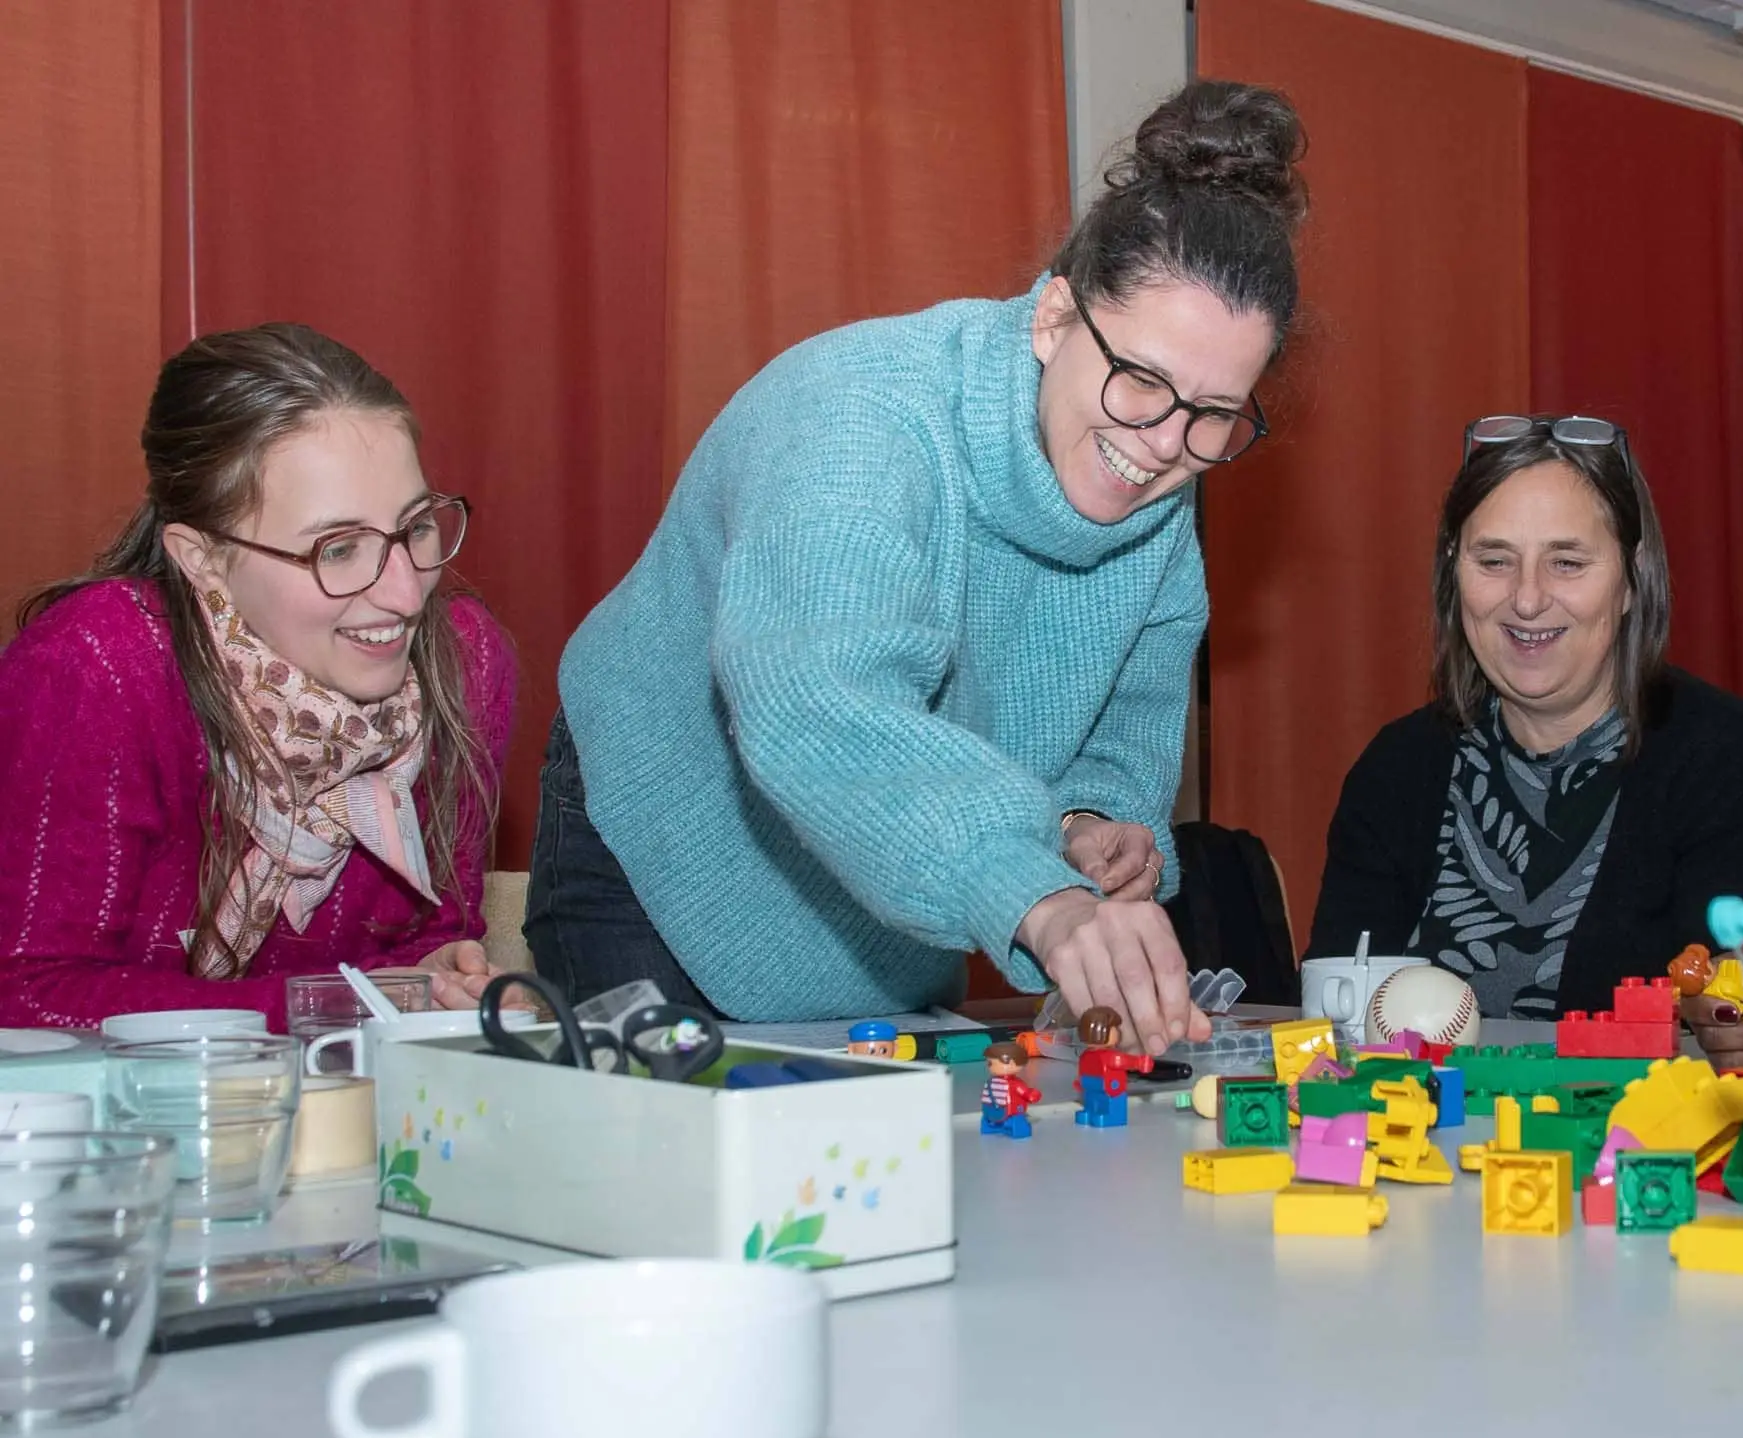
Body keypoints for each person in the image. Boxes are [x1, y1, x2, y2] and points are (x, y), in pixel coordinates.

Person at [529, 81, 1307, 1055]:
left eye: (1214, 413)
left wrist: (1087, 822)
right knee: (662, 1181)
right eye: (1140, 380)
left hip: (892, 873)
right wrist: (1035, 893)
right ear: (1054, 318)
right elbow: (818, 703)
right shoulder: (862, 417)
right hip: (664, 836)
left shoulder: (1155, 487)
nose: (1162, 444)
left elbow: (1123, 733)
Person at [0, 324, 516, 1030]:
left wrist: (441, 978)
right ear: (202, 558)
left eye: (417, 527)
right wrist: (346, 1003)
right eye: (338, 548)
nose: (405, 593)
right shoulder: (99, 667)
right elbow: (28, 995)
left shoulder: (465, 656)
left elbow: (430, 936)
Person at [1307, 416, 1743, 1020]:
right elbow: (1333, 1022)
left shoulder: (1735, 760)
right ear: (1455, 573)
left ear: (1632, 580)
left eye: (1568, 563)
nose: (1527, 598)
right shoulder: (1396, 770)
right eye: (1494, 560)